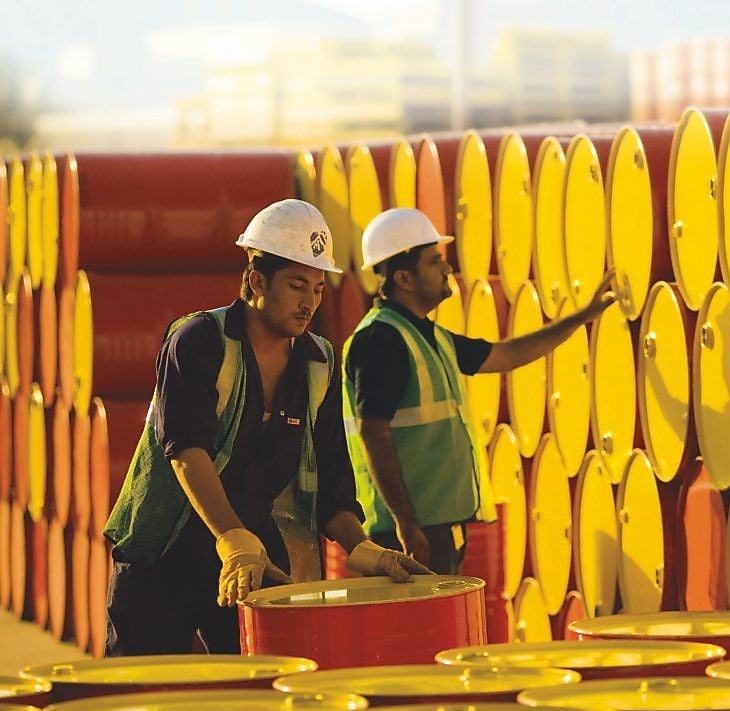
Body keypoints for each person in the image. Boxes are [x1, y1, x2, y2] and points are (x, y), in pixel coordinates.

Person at [102, 199, 428, 656]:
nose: (310, 302)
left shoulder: (319, 362)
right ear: (257, 281)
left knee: (259, 684)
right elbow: (186, 451)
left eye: (318, 288)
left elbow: (332, 481)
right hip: (165, 553)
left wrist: (363, 548)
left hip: (252, 562)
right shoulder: (198, 340)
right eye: (297, 286)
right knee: (144, 687)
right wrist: (231, 539)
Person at [343, 208, 615, 574]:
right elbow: (373, 434)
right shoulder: (381, 340)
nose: (447, 268)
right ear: (404, 278)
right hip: (406, 532)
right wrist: (405, 523)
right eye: (434, 261)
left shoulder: (429, 336)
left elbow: (508, 355)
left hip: (435, 525)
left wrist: (583, 316)